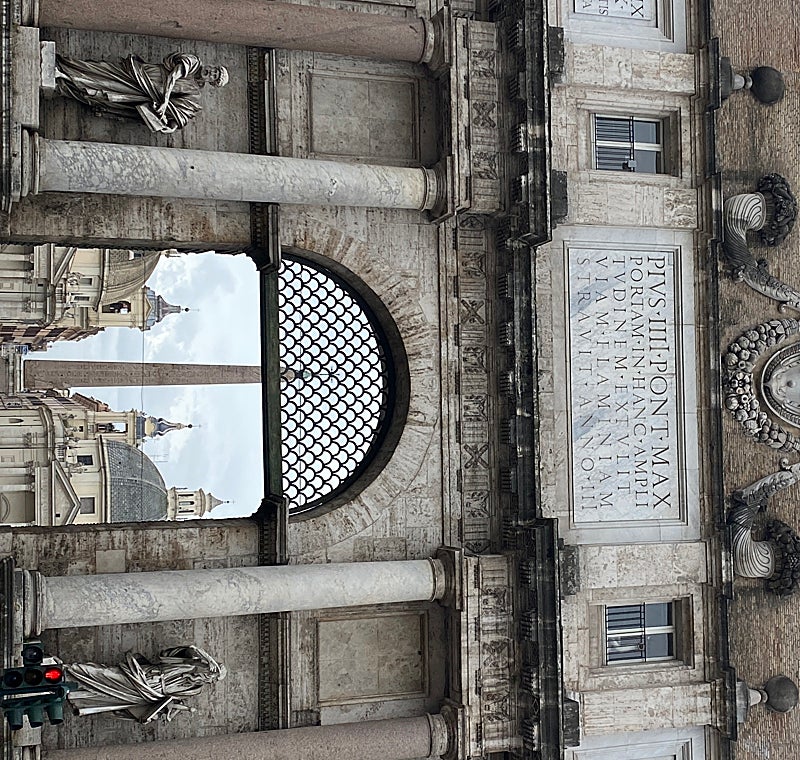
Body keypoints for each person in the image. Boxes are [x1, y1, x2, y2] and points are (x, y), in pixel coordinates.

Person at [54, 52, 229, 133]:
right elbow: (174, 75)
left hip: (141, 94)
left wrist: (169, 127)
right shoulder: (193, 62)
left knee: (102, 94)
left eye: (214, 76)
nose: (211, 72)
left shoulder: (194, 93)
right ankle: (64, 67)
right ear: (211, 65)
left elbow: (182, 115)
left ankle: (63, 84)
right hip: (142, 74)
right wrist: (166, 99)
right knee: (102, 71)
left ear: (211, 83)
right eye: (214, 69)